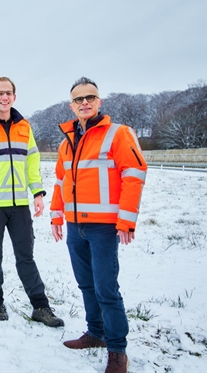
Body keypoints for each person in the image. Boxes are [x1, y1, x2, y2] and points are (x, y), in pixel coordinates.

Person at [50, 77, 147, 373]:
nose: (84, 103)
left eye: (90, 97)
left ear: (99, 101)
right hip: (75, 225)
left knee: (107, 288)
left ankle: (117, 350)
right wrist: (56, 215)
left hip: (104, 227)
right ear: (72, 105)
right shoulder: (67, 140)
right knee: (86, 284)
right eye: (79, 99)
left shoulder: (118, 134)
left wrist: (126, 220)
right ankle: (96, 333)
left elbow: (135, 173)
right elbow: (60, 181)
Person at [0, 76, 64, 328]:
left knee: (26, 257)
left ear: (14, 97)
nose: (4, 97)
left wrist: (37, 193)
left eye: (8, 93)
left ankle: (40, 307)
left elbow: (32, 162)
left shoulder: (24, 128)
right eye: (0, 93)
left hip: (19, 206)